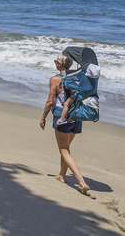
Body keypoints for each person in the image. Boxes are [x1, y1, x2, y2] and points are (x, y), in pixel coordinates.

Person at [39, 54, 90, 195]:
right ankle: (62, 175)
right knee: (66, 148)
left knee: (64, 150)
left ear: (60, 64)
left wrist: (43, 117)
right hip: (76, 116)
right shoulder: (78, 78)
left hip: (61, 117)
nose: (55, 63)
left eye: (56, 61)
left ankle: (82, 183)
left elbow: (50, 102)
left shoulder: (55, 79)